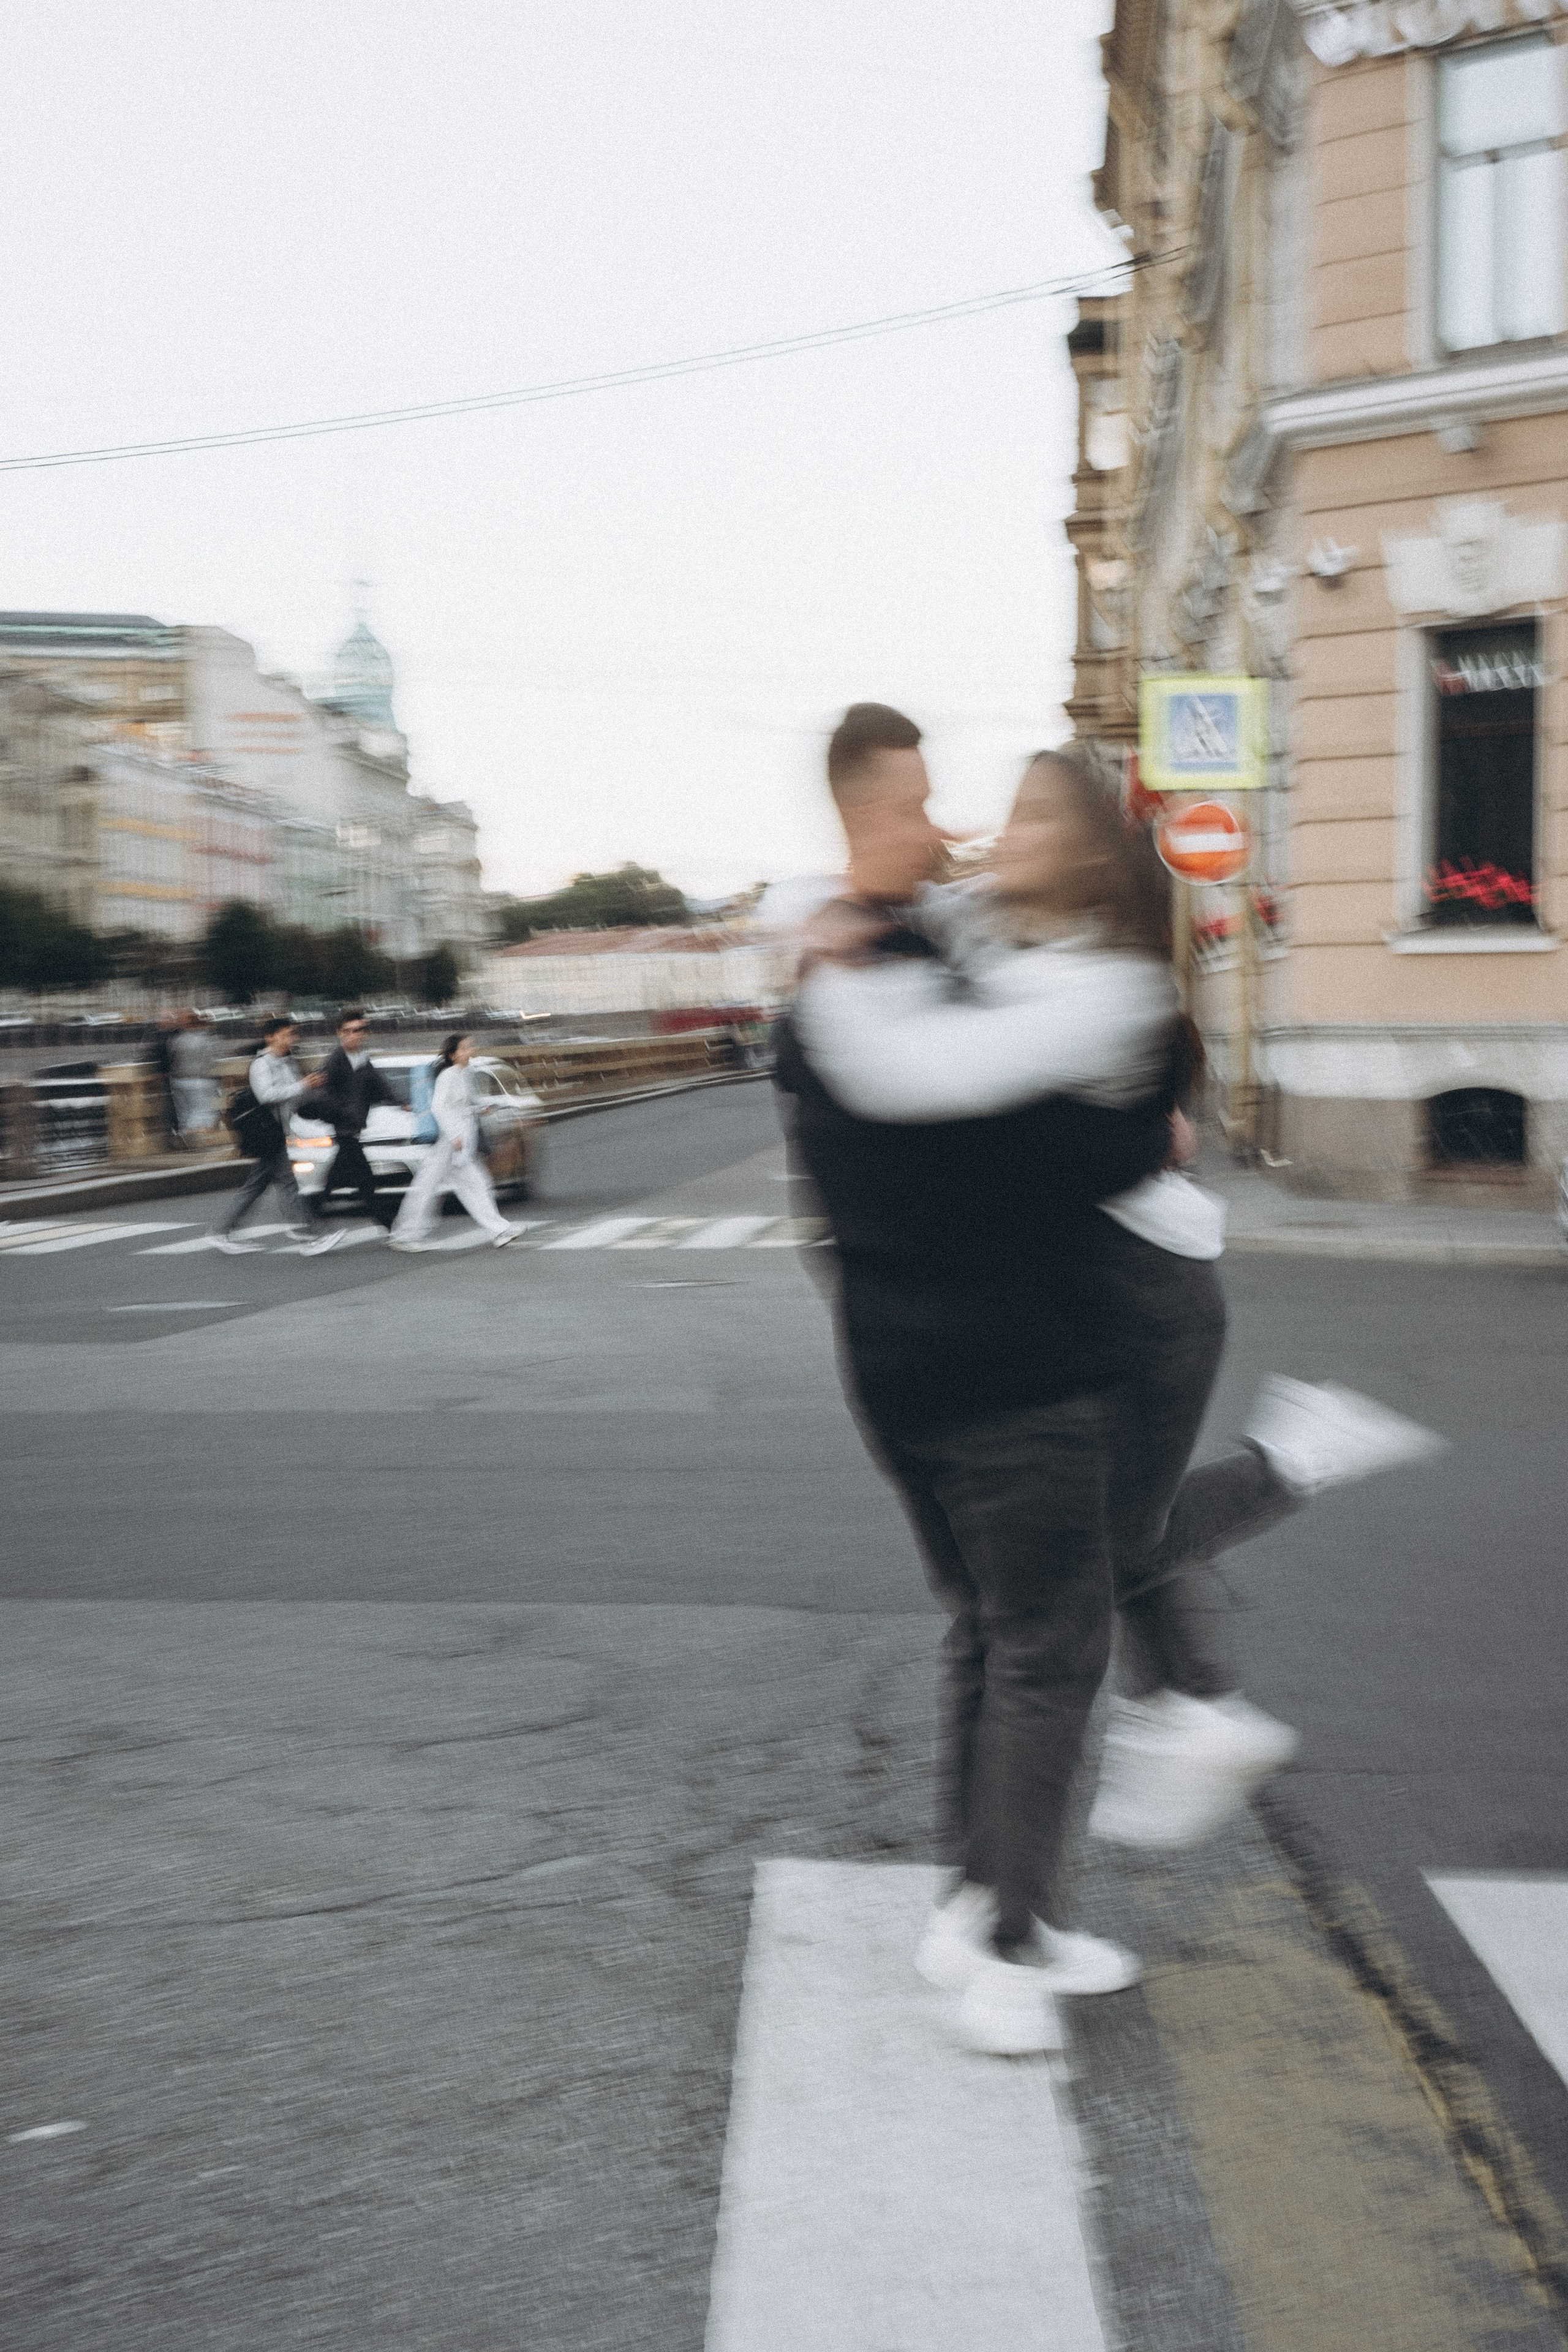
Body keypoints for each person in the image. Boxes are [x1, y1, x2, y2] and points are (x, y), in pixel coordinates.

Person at [797, 742, 1442, 1872]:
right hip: (1080, 1289)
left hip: (1149, 1298)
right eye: (1008, 818)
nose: (1004, 839)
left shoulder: (1107, 980)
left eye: (1035, 822)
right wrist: (824, 923)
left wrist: (832, 982)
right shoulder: (999, 930)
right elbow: (891, 915)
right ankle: (1176, 1725)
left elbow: (924, 1077)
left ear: (1093, 857)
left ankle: (1287, 1474)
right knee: (1056, 1577)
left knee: (1080, 1567)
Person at [210, 1016, 340, 1256]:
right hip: (267, 1132)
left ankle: (222, 1232)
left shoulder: (287, 1063)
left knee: (255, 1187)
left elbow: (295, 1097)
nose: (291, 1039)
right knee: (288, 1186)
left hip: (279, 1131)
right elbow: (266, 1096)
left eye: (293, 1034)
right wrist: (302, 1085)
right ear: (271, 1037)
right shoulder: (261, 1064)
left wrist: (314, 1087)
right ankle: (311, 1236)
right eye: (286, 1034)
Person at [389, 1034, 520, 1250]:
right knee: (428, 1186)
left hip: (460, 1142)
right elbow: (438, 1107)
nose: (470, 1051)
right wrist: (453, 1137)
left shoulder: (463, 1074)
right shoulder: (448, 1076)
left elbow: (459, 1107)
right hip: (449, 1142)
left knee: (475, 1184)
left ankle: (500, 1230)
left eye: (470, 1046)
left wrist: (479, 1110)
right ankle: (405, 1235)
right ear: (453, 1055)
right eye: (465, 1048)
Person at [311, 1008, 398, 1232]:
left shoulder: (361, 1059)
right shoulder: (335, 1061)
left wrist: (400, 1101)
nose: (354, 1035)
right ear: (340, 1034)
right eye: (349, 1031)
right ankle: (388, 1224)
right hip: (344, 1127)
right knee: (365, 1179)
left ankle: (311, 1215)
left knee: (338, 1175)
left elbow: (379, 1085)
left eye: (359, 1030)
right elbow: (324, 1095)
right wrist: (344, 1115)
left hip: (354, 1126)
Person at [169, 1011, 219, 1141]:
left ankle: (185, 1138)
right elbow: (213, 1060)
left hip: (178, 1080)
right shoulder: (207, 1039)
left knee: (185, 1114)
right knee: (202, 1112)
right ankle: (193, 1139)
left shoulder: (177, 1040)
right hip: (201, 1079)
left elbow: (172, 1059)